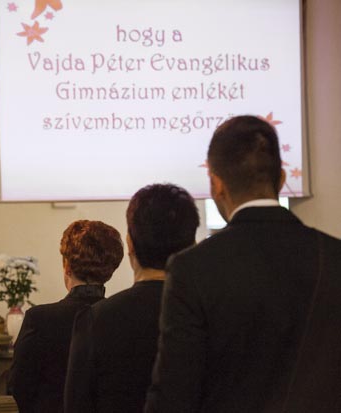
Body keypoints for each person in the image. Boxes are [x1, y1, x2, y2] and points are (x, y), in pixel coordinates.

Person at [145, 115, 341, 412]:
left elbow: (174, 395)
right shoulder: (333, 255)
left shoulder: (193, 268)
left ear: (216, 185)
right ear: (282, 178)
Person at [64, 184, 199, 413]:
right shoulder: (209, 314)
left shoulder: (97, 319)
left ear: (130, 244)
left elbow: (77, 405)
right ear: (192, 245)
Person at [8, 220, 124, 413]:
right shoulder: (120, 318)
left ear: (67, 266)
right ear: (110, 270)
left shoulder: (40, 319)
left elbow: (18, 388)